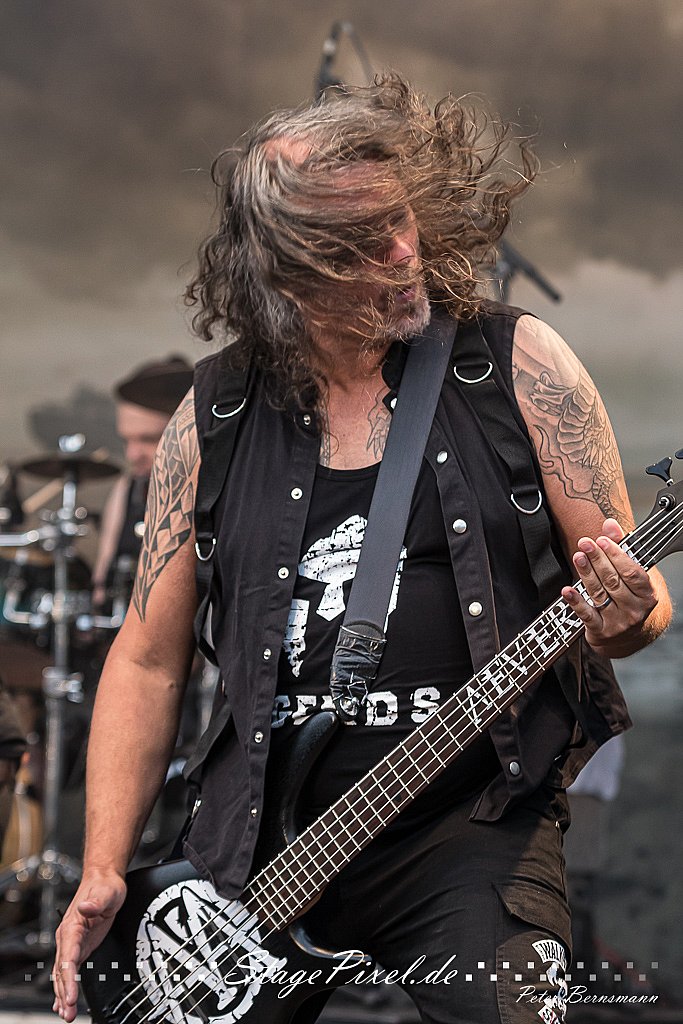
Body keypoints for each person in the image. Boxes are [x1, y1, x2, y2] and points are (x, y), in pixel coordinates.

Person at [52, 76, 672, 1024]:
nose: (401, 253)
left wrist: (629, 616)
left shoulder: (517, 364)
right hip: (258, 850)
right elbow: (146, 656)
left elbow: (633, 599)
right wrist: (103, 864)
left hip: (470, 831)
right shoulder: (213, 413)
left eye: (398, 219)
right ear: (284, 273)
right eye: (358, 243)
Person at [90, 356, 193, 610]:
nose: (132, 455)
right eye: (126, 440)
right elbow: (102, 580)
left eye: (148, 439)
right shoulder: (127, 488)